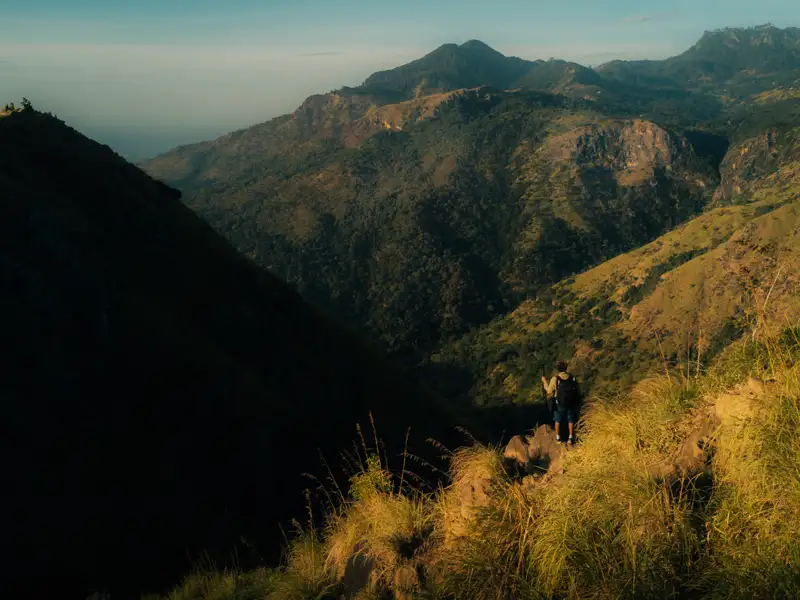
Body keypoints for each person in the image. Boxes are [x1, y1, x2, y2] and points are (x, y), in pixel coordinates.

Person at [542, 360, 582, 444]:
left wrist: (544, 381)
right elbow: (577, 390)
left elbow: (549, 391)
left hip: (559, 403)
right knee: (570, 420)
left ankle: (558, 437)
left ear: (557, 368)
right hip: (571, 402)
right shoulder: (571, 377)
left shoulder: (555, 379)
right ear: (566, 368)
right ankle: (570, 437)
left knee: (557, 420)